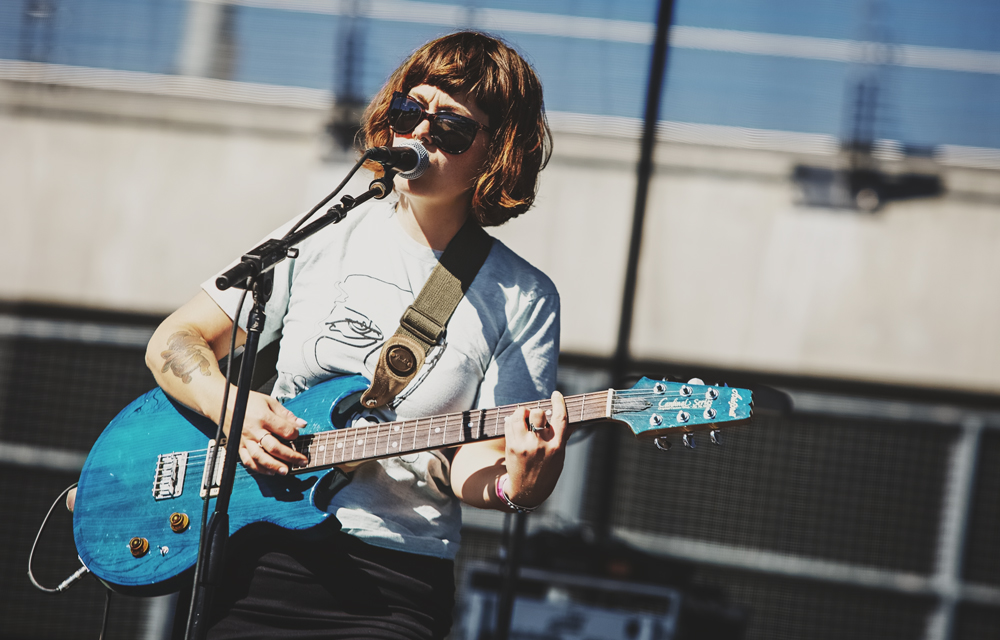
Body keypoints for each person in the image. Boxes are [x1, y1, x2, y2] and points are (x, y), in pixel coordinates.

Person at [142, 31, 567, 639]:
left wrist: (516, 484)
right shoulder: (324, 232)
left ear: (497, 153)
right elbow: (174, 340)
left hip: (393, 584)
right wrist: (232, 407)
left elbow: (478, 457)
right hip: (257, 553)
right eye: (408, 110)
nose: (419, 133)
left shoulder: (522, 295)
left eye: (450, 127)